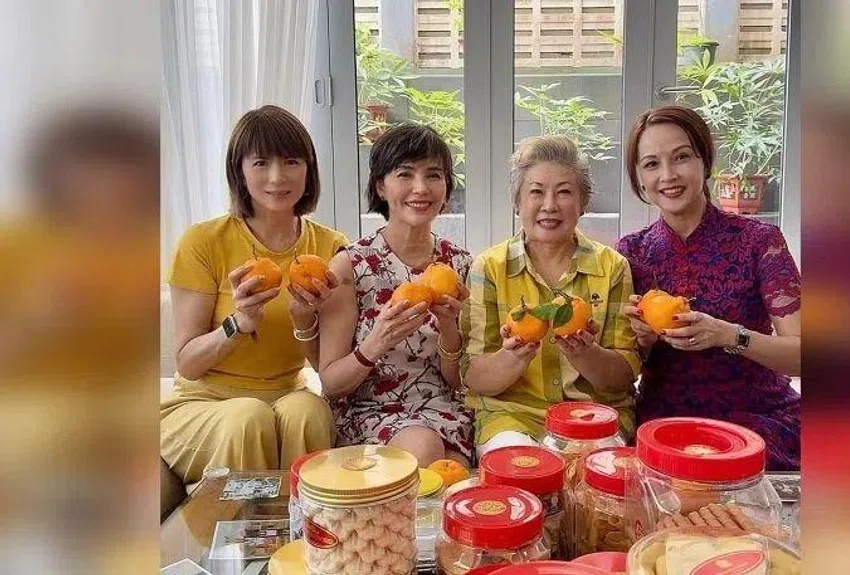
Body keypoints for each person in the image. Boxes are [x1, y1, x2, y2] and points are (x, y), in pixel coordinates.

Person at [162, 105, 344, 484]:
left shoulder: (332, 248)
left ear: (308, 169)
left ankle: (309, 532)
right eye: (261, 163)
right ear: (239, 172)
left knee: (309, 410)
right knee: (248, 416)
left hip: (285, 393)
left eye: (291, 161)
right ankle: (236, 537)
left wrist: (304, 320)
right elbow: (187, 364)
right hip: (205, 400)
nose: (277, 177)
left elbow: (328, 367)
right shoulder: (203, 242)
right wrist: (237, 324)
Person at [616, 105, 801, 470]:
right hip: (665, 425)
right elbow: (623, 366)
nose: (668, 175)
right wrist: (643, 340)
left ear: (705, 161)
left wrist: (729, 334)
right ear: (639, 178)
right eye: (651, 164)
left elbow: (801, 356)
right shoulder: (631, 252)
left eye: (681, 157)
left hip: (758, 418)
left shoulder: (759, 241)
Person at [461, 135, 640, 457]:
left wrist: (587, 354)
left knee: (590, 485)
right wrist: (512, 357)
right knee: (521, 476)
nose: (549, 205)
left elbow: (624, 376)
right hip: (512, 417)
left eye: (564, 192)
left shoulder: (612, 267)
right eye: (536, 192)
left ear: (583, 202)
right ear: (517, 202)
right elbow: (475, 377)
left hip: (594, 418)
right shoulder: (489, 267)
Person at [316, 123, 473, 467]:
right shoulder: (350, 267)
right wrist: (378, 340)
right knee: (424, 452)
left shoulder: (460, 264)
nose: (420, 188)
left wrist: (449, 328)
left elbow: (459, 381)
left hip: (444, 408)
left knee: (454, 476)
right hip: (371, 410)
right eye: (405, 174)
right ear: (380, 187)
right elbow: (331, 383)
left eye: (434, 175)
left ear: (446, 189)